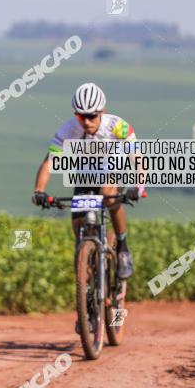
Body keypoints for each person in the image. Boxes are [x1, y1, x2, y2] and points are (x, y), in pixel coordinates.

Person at [32, 82, 141, 279]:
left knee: (109, 197)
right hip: (87, 172)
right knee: (78, 223)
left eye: (91, 116)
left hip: (114, 167)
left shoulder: (117, 126)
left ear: (102, 112)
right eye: (81, 116)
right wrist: (39, 191)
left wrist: (139, 186)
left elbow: (137, 157)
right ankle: (86, 266)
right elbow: (49, 162)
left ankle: (123, 248)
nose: (86, 121)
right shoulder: (68, 130)